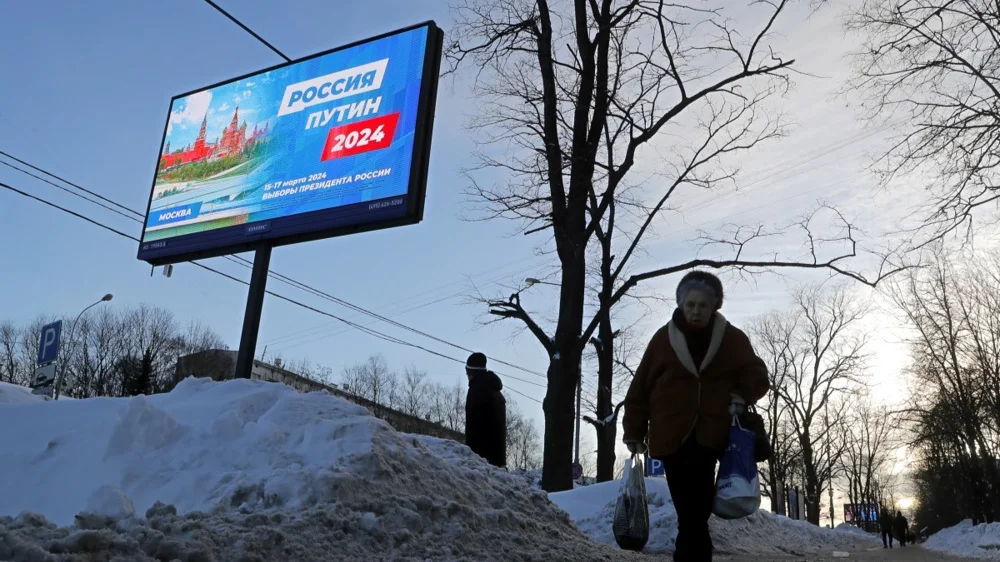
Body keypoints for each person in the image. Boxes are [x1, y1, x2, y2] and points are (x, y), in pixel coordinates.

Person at [622, 271, 769, 562]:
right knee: (690, 514)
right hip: (671, 437)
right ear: (681, 304)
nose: (696, 311)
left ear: (714, 306)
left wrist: (742, 394)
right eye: (690, 304)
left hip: (710, 436)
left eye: (703, 305)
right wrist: (634, 431)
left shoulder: (731, 338)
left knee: (695, 513)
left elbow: (757, 374)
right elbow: (640, 388)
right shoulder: (663, 340)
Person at [464, 352, 507, 468]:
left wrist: (471, 454)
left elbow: (473, 425)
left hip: (481, 458)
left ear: (472, 373)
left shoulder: (476, 391)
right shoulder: (497, 392)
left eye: (467, 372)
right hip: (497, 457)